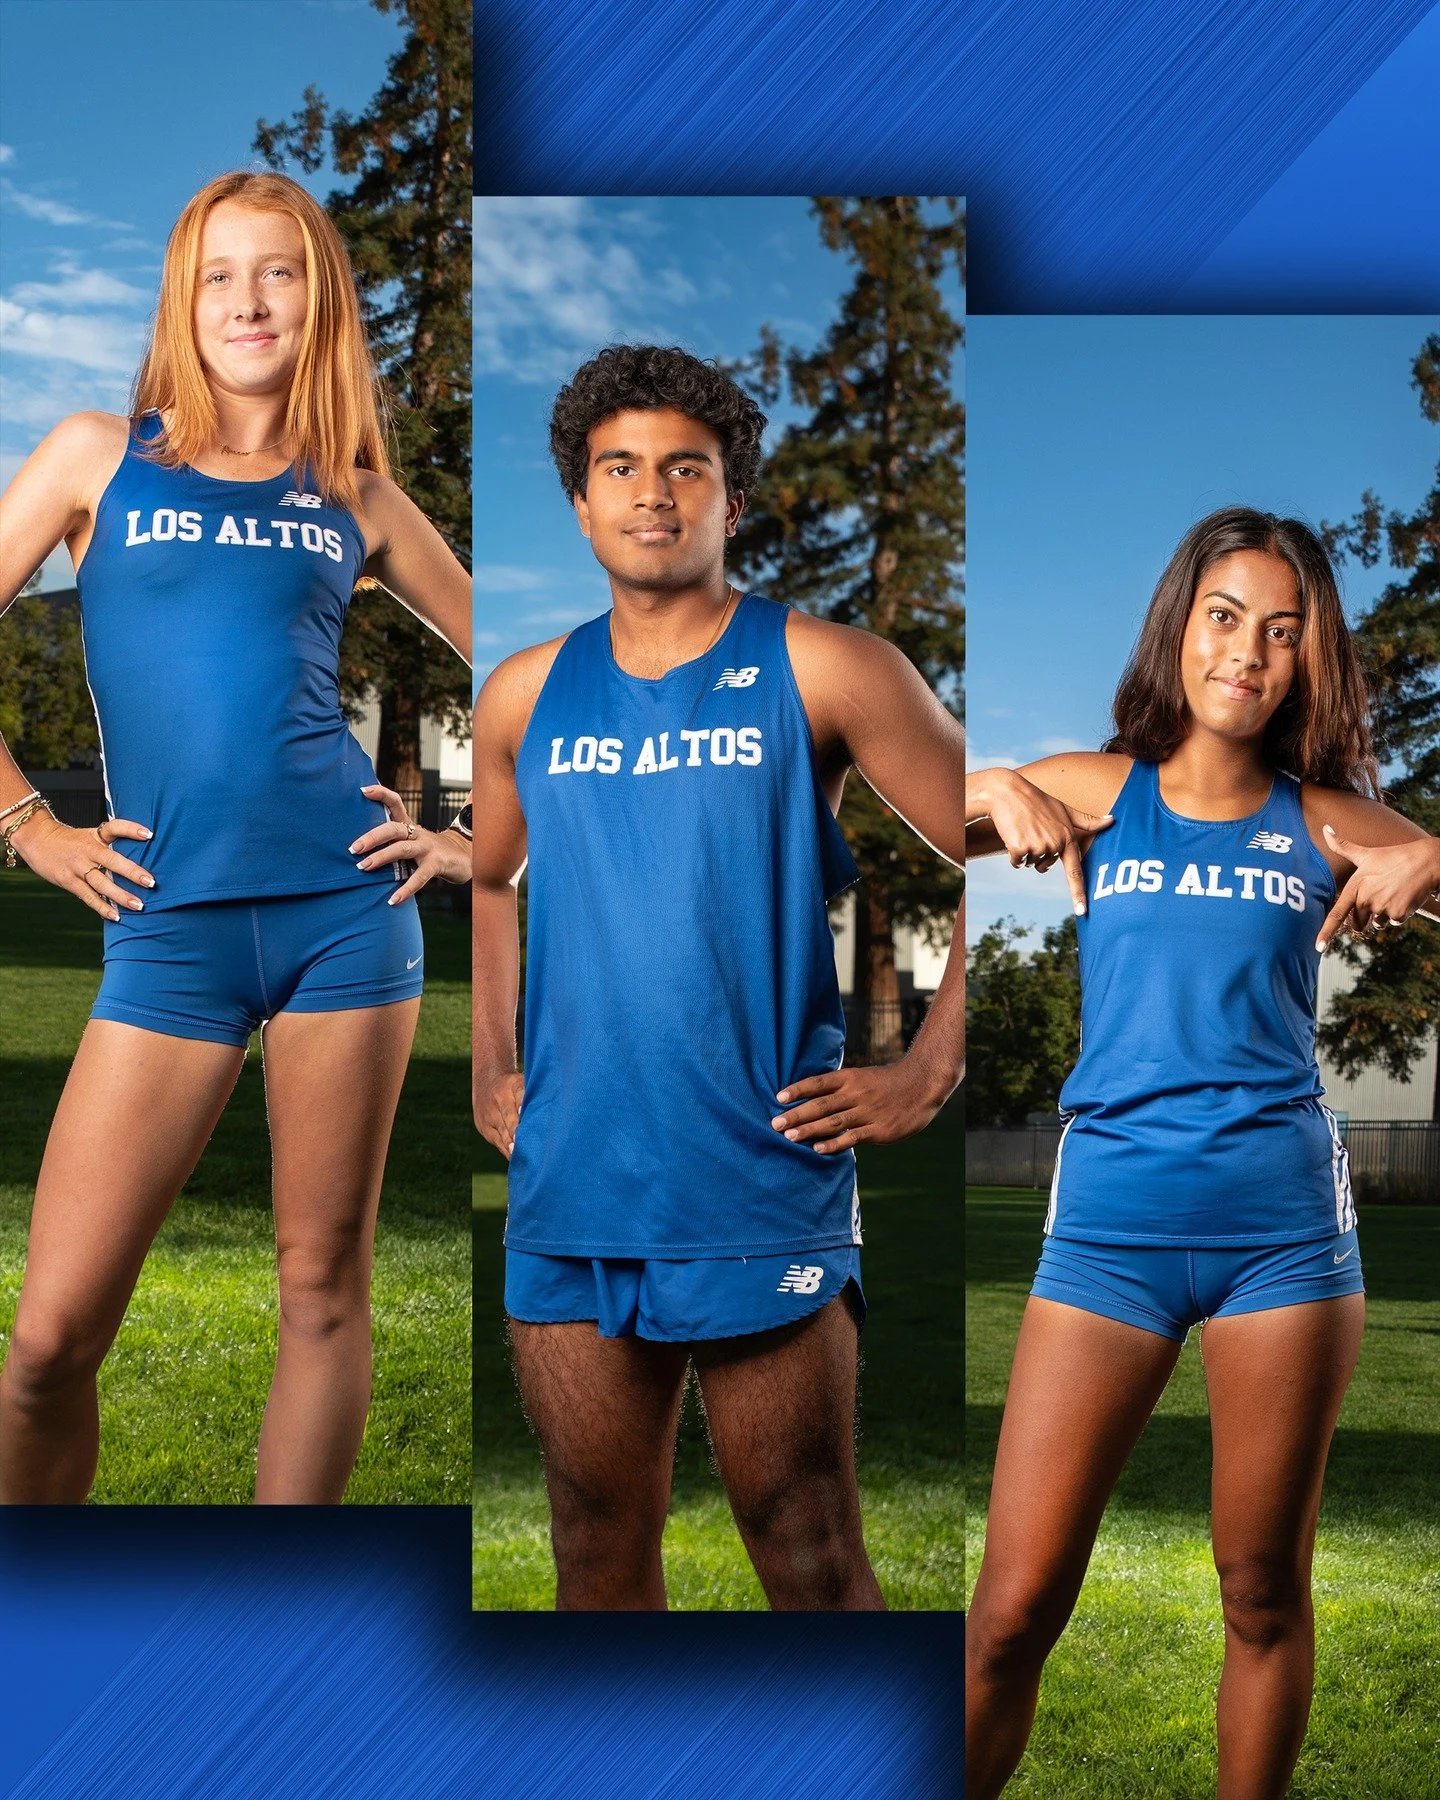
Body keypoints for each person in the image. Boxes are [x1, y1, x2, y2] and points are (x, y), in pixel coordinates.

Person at [0, 171, 471, 1505]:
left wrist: (465, 837)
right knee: (46, 1346)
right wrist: (30, 825)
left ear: (317, 298)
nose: (248, 298)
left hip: (347, 919)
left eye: (278, 271)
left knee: (322, 1287)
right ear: (181, 300)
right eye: (219, 273)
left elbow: (542, 679)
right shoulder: (99, 454)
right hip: (166, 931)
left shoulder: (361, 497)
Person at [471, 344, 964, 1609]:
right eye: (618, 468)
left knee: (802, 1542)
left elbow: (1014, 842)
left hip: (762, 1173)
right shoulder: (522, 694)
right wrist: (494, 1063)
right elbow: (488, 877)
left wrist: (930, 1065)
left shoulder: (832, 668)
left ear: (730, 501)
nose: (651, 492)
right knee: (590, 1542)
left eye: (685, 467)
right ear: (580, 502)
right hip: (576, 1176)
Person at [964, 507, 1440, 1796]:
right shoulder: (1097, 791)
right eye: (1225, 616)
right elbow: (883, 794)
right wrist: (989, 785)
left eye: (1283, 631)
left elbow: (1422, 862)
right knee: (1007, 1613)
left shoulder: (1331, 819)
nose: (1248, 650)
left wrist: (1433, 851)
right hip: (1104, 1242)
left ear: (1310, 660)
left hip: (1283, 1242)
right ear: (1180, 627)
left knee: (1262, 1591)